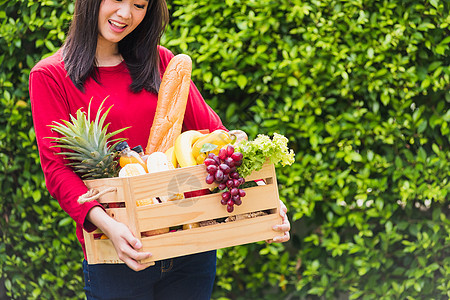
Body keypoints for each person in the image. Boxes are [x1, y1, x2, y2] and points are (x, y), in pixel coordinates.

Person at [29, 0, 290, 299]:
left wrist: (264, 199)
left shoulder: (162, 63)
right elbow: (57, 169)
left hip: (192, 243)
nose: (126, 14)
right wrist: (109, 226)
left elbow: (217, 139)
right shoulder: (50, 76)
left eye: (139, 5)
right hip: (119, 252)